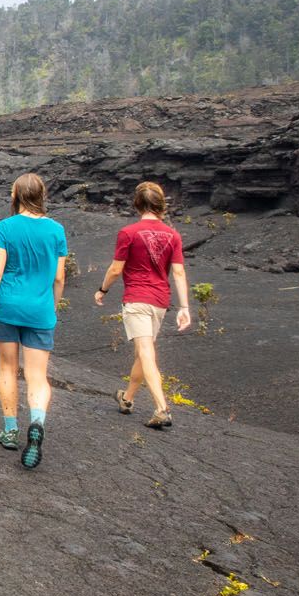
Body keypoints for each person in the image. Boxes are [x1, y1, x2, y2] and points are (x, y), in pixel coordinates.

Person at [0, 173, 67, 469]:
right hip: (40, 311)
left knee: (7, 367)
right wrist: (51, 308)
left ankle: (11, 429)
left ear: (15, 195)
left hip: (8, 308)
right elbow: (58, 277)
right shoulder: (56, 231)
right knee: (37, 376)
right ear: (42, 195)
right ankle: (37, 422)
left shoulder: (6, 227)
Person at [94, 181, 191, 429]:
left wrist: (102, 289)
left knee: (146, 352)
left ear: (137, 204)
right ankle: (126, 398)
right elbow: (178, 273)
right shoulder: (173, 235)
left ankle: (162, 408)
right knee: (142, 352)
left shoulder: (129, 232)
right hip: (160, 301)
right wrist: (184, 307)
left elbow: (116, 268)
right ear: (160, 204)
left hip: (137, 298)